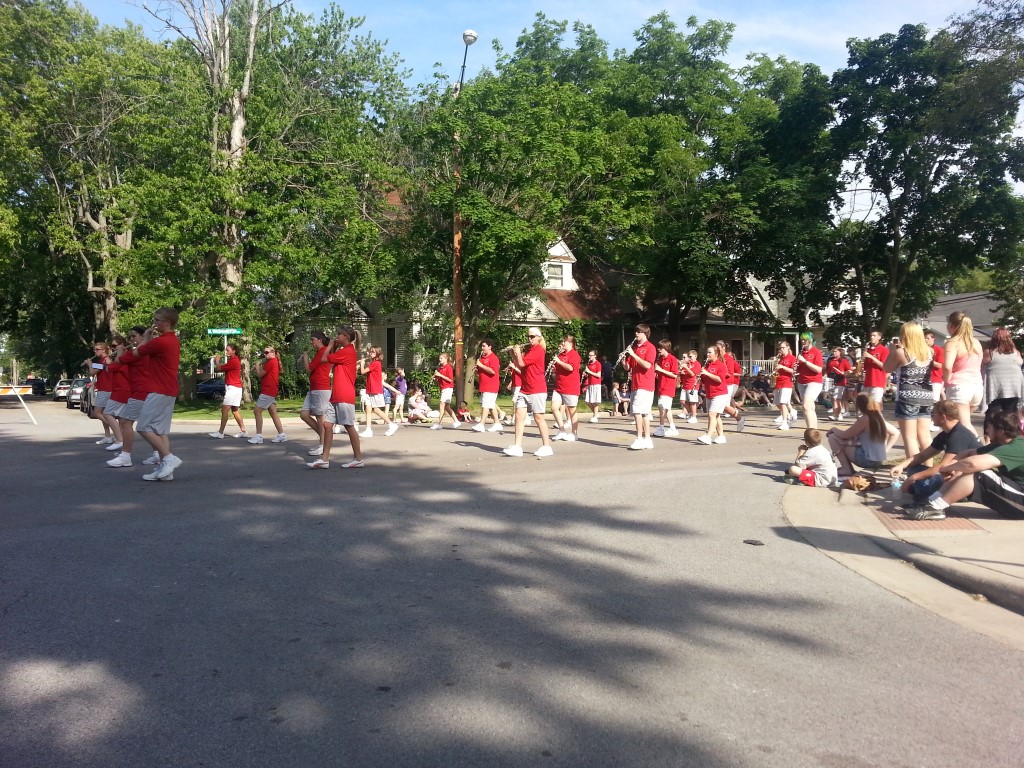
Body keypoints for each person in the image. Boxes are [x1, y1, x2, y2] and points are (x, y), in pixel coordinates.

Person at [906, 410, 1024, 520]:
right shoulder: (1003, 443)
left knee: (977, 472)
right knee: (963, 467)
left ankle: (935, 508)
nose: (987, 430)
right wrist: (952, 466)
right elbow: (968, 453)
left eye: (990, 427)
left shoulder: (1017, 447)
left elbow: (972, 464)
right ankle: (930, 502)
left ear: (1001, 431)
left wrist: (946, 468)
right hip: (1017, 495)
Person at [888, 400, 982, 508]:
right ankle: (919, 489)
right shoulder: (946, 433)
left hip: (968, 480)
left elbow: (943, 466)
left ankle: (929, 498)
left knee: (925, 482)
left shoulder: (958, 436)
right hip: (952, 473)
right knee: (913, 469)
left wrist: (913, 478)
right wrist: (901, 466)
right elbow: (923, 456)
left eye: (933, 414)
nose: (931, 418)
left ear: (943, 417)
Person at [130, 307, 183, 481]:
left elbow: (136, 353)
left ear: (166, 323)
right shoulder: (172, 340)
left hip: (159, 389)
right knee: (160, 431)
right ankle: (166, 471)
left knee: (143, 427)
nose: (154, 323)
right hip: (168, 389)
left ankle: (169, 458)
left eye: (157, 320)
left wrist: (145, 338)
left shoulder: (160, 342)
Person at [308, 326, 363, 469]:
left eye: (339, 334)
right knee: (327, 425)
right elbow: (331, 358)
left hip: (344, 395)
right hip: (336, 395)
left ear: (346, 336)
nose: (337, 336)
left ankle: (358, 459)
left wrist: (330, 345)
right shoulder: (343, 351)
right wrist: (334, 347)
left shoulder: (348, 351)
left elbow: (324, 358)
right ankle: (324, 460)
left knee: (349, 426)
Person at [880, 321, 934, 459]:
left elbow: (886, 368)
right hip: (926, 396)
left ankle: (913, 468)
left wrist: (892, 350)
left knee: (910, 437)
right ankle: (928, 467)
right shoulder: (929, 351)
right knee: (925, 435)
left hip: (907, 397)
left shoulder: (902, 352)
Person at [106, 326, 153, 468]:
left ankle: (125, 456)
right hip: (142, 391)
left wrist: (120, 351)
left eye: (134, 336)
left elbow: (118, 362)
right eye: (130, 337)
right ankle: (159, 454)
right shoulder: (142, 350)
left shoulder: (138, 352)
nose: (131, 339)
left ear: (142, 337)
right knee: (148, 425)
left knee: (126, 422)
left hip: (139, 391)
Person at [503, 326, 553, 457]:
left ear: (539, 338)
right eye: (528, 336)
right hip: (525, 388)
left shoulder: (538, 350)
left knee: (538, 417)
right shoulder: (529, 350)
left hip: (537, 389)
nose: (529, 339)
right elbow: (520, 365)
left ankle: (547, 446)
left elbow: (522, 364)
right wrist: (512, 353)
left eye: (532, 337)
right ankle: (517, 446)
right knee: (519, 416)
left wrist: (518, 352)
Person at [826, 393, 900, 478]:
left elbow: (845, 435)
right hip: (879, 459)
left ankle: (846, 469)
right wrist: (885, 450)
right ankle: (849, 469)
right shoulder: (878, 417)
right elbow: (895, 433)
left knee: (833, 438)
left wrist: (834, 429)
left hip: (866, 460)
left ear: (859, 406)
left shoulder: (865, 419)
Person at [943, 310, 984, 437]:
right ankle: (961, 448)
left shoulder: (953, 342)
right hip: (977, 387)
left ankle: (979, 447)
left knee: (965, 425)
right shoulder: (976, 342)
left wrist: (946, 380)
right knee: (959, 425)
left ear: (951, 325)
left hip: (960, 386)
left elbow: (947, 366)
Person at [623, 324, 657, 450]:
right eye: (636, 332)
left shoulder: (650, 347)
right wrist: (623, 359)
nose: (636, 334)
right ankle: (647, 439)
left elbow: (647, 365)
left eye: (639, 332)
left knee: (637, 411)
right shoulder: (635, 347)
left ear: (645, 333)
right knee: (644, 413)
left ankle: (639, 438)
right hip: (636, 384)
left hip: (645, 384)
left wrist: (633, 355)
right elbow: (628, 368)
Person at [299, 331, 331, 456]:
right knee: (304, 414)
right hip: (314, 387)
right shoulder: (319, 352)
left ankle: (322, 445)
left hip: (321, 388)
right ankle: (326, 438)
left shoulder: (323, 351)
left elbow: (309, 368)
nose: (311, 342)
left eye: (313, 339)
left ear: (320, 340)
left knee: (320, 417)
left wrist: (305, 358)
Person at [248, 346, 287, 444]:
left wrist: (257, 366)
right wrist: (258, 367)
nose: (265, 354)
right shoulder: (273, 362)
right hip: (271, 390)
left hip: (268, 391)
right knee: (273, 413)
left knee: (257, 411)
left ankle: (259, 436)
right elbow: (264, 373)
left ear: (273, 353)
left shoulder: (271, 362)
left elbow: (260, 374)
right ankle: (281, 435)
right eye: (264, 353)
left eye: (267, 352)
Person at [86, 342, 122, 447]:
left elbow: (92, 372)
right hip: (103, 388)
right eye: (94, 349)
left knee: (97, 413)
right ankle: (107, 436)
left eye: (97, 349)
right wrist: (91, 365)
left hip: (106, 390)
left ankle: (117, 432)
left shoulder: (106, 360)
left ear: (104, 350)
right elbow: (96, 371)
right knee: (103, 412)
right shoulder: (101, 361)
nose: (95, 351)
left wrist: (89, 364)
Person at [209, 343, 248, 439]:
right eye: (226, 350)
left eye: (228, 350)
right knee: (235, 410)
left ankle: (220, 433)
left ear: (233, 351)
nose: (226, 352)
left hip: (233, 388)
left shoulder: (234, 361)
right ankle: (243, 431)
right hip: (235, 388)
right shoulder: (233, 360)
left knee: (224, 410)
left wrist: (217, 360)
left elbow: (219, 368)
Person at [983, 327, 1024, 418]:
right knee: (1010, 414)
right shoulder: (1016, 352)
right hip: (1013, 387)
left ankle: (992, 427)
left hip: (995, 388)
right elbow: (1020, 363)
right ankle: (1009, 427)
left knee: (993, 414)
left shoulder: (989, 352)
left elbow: (982, 365)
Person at [358, 346, 398, 438]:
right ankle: (368, 430)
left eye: (373, 352)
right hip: (370, 389)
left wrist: (362, 363)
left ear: (377, 354)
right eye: (370, 351)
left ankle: (391, 424)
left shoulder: (376, 363)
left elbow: (363, 371)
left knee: (375, 409)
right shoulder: (373, 363)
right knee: (368, 409)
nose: (370, 353)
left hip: (375, 389)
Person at [101, 335, 130, 455]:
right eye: (111, 346)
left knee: (106, 413)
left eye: (114, 346)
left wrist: (108, 363)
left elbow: (109, 369)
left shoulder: (122, 357)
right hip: (119, 389)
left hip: (121, 390)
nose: (113, 348)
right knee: (122, 420)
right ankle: (124, 447)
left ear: (122, 345)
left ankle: (119, 440)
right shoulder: (119, 357)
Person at [551, 335, 582, 442]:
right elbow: (559, 369)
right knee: (554, 408)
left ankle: (574, 433)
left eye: (565, 342)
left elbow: (570, 368)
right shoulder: (561, 354)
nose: (563, 343)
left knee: (572, 410)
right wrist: (554, 369)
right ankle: (562, 430)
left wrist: (559, 362)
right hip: (559, 386)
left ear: (571, 343)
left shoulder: (574, 355)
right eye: (563, 341)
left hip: (570, 387)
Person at [697, 345, 730, 445]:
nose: (707, 354)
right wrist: (700, 377)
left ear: (716, 354)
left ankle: (708, 436)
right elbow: (704, 380)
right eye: (707, 352)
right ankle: (721, 436)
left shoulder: (721, 365)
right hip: (709, 393)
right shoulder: (707, 365)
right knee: (716, 416)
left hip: (719, 394)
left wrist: (707, 373)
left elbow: (719, 379)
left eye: (710, 352)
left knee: (712, 414)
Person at [795, 333, 824, 429]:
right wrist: (796, 367)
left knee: (806, 406)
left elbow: (818, 369)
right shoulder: (801, 353)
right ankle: (813, 430)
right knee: (809, 407)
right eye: (802, 340)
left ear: (810, 340)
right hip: (801, 382)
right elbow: (799, 369)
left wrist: (805, 361)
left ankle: (810, 431)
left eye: (805, 339)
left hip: (814, 382)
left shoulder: (816, 352)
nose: (803, 341)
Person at [653, 339, 680, 437]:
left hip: (668, 387)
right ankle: (672, 428)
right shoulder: (660, 359)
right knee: (667, 408)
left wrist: (661, 370)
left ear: (666, 348)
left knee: (662, 407)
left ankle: (661, 428)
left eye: (660, 348)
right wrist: (656, 373)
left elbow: (674, 375)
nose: (658, 350)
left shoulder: (672, 359)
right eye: (658, 348)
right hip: (661, 386)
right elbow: (660, 373)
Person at [773, 341, 797, 430]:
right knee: (777, 403)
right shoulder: (780, 358)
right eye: (780, 348)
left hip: (787, 382)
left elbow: (794, 371)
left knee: (783, 403)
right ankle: (791, 413)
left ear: (788, 347)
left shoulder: (792, 358)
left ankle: (785, 422)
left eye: (783, 347)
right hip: (778, 382)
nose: (781, 349)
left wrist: (783, 367)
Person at [431, 353, 459, 430]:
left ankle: (439, 423)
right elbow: (440, 380)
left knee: (442, 404)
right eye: (439, 358)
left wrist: (440, 375)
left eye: (441, 358)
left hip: (448, 388)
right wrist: (435, 378)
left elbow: (450, 380)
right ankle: (456, 421)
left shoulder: (448, 367)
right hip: (443, 388)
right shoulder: (440, 368)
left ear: (446, 359)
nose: (440, 360)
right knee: (447, 407)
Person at [862, 330, 889, 403]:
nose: (872, 337)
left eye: (874, 335)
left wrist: (871, 357)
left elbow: (884, 366)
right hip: (868, 381)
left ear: (879, 337)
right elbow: (865, 367)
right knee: (867, 404)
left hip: (878, 381)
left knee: (876, 403)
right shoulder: (868, 350)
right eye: (871, 336)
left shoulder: (884, 350)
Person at [825, 347, 852, 422]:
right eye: (833, 351)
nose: (834, 353)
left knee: (836, 399)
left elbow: (849, 370)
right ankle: (838, 415)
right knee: (833, 399)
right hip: (831, 381)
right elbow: (827, 370)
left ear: (840, 352)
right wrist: (825, 376)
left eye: (836, 351)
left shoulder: (844, 360)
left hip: (840, 381)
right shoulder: (830, 360)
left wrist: (845, 373)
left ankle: (836, 415)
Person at [678, 350, 702, 424]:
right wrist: (681, 371)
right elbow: (685, 373)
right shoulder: (688, 364)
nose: (689, 358)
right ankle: (691, 413)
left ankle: (693, 417)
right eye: (689, 356)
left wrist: (686, 368)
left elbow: (692, 374)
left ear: (695, 356)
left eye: (691, 356)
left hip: (693, 385)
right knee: (682, 400)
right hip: (685, 384)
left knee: (692, 402)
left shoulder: (697, 364)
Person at [583, 350, 603, 423]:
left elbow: (598, 375)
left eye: (591, 355)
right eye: (589, 355)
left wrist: (589, 372)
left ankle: (595, 417)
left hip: (596, 384)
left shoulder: (598, 364)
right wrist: (586, 374)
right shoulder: (589, 364)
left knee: (595, 401)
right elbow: (590, 374)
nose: (589, 357)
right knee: (588, 401)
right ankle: (596, 414)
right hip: (590, 384)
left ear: (595, 356)